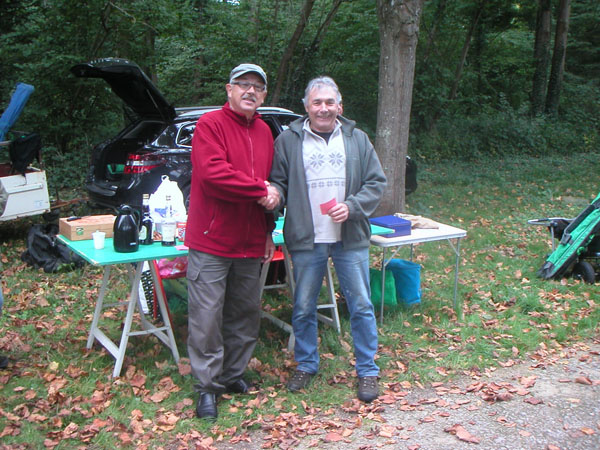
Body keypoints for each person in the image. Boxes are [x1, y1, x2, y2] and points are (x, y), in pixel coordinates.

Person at [269, 76, 386, 403]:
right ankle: (306, 363)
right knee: (304, 306)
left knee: (361, 305)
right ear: (306, 107)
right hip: (308, 239)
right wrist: (271, 196)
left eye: (329, 102)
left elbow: (376, 183)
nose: (323, 108)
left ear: (339, 106)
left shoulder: (357, 139)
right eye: (317, 102)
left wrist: (352, 207)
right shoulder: (288, 141)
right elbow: (277, 185)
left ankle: (368, 369)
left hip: (349, 238)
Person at [184, 63, 280, 421]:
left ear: (264, 95)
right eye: (243, 85)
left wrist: (268, 229)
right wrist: (261, 191)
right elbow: (213, 176)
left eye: (257, 87)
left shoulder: (265, 132)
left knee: (244, 313)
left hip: (250, 240)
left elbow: (270, 183)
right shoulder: (210, 125)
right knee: (206, 318)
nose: (250, 91)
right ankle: (207, 388)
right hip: (212, 241)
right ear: (229, 89)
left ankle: (231, 375)